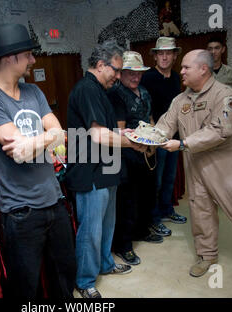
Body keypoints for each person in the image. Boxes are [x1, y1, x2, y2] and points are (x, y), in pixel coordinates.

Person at [0, 23, 76, 299]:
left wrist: (37, 140)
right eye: (28, 54)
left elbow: (60, 135)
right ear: (10, 57)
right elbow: (20, 152)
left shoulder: (33, 92)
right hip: (21, 211)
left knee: (64, 277)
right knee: (25, 287)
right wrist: (47, 137)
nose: (33, 60)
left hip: (54, 201)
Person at [156, 49, 232, 281]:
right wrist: (146, 138)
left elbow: (220, 131)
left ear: (203, 69)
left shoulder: (226, 96)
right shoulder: (180, 99)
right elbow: (165, 125)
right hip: (194, 162)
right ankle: (207, 255)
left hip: (225, 163)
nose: (180, 71)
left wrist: (183, 143)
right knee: (200, 209)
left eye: (185, 67)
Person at [66, 40, 146, 298]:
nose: (119, 76)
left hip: (107, 170)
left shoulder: (100, 89)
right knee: (91, 229)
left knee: (107, 224)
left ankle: (105, 264)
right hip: (91, 171)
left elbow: (107, 129)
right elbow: (98, 136)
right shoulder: (86, 89)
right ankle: (85, 280)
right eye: (117, 69)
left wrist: (126, 132)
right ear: (100, 65)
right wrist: (133, 142)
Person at [107, 51, 163, 266]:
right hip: (127, 155)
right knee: (127, 201)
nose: (135, 77)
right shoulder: (116, 94)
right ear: (121, 73)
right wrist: (141, 143)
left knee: (148, 195)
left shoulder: (145, 92)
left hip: (147, 153)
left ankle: (142, 230)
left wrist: (154, 141)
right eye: (130, 72)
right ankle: (124, 245)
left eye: (138, 73)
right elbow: (120, 130)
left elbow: (150, 120)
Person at [140, 37, 187, 238]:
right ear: (155, 56)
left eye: (169, 53)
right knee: (156, 181)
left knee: (169, 178)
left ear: (175, 56)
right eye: (161, 53)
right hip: (156, 138)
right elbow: (144, 108)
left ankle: (167, 210)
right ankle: (154, 218)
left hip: (174, 137)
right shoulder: (147, 78)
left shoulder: (177, 78)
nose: (165, 56)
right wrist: (152, 136)